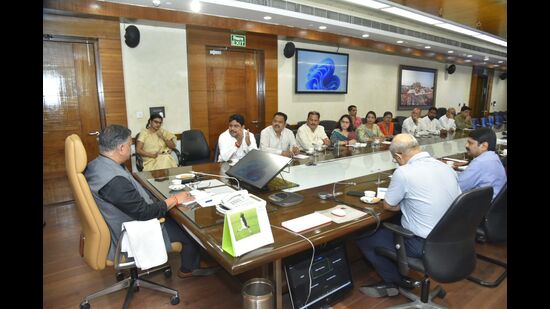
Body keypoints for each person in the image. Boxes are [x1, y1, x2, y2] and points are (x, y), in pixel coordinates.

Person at [85, 125, 218, 279]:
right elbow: (145, 213)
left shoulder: (97, 165)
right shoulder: (114, 182)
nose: (131, 148)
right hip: (132, 231)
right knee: (188, 229)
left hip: (121, 222)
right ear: (121, 148)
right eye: (130, 144)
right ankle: (189, 268)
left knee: (173, 212)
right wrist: (175, 199)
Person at [356, 133, 461, 298]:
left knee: (365, 235)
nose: (396, 162)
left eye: (395, 159)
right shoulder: (445, 166)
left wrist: (405, 202)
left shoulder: (404, 172)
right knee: (395, 221)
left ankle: (394, 282)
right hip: (454, 238)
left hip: (425, 244)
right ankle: (399, 274)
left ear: (398, 155)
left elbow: (389, 205)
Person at [458, 127, 506, 200]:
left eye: (470, 143)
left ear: (483, 146)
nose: (466, 145)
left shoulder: (480, 163)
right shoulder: (493, 157)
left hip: (482, 208)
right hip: (493, 206)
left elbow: (457, 187)